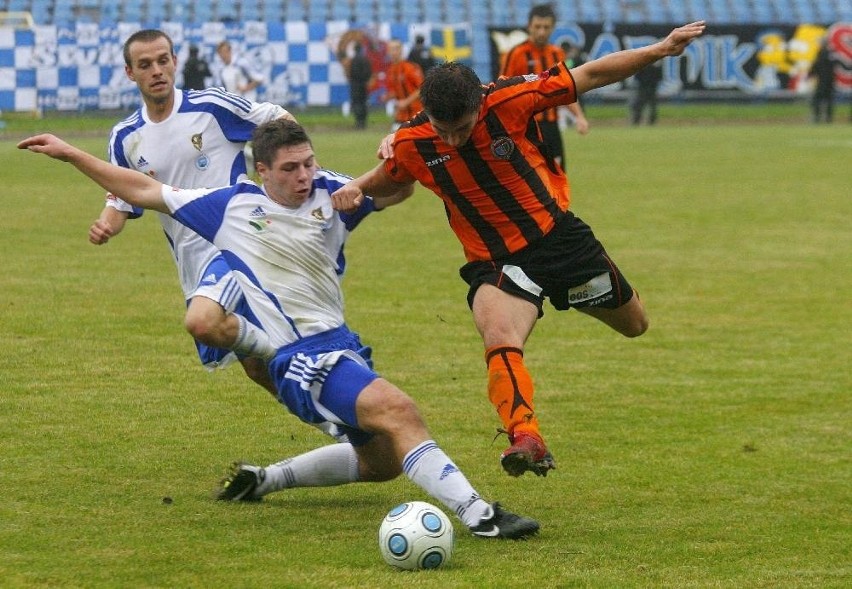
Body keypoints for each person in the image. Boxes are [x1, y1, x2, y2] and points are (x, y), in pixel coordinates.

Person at [18, 119, 541, 540]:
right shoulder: (230, 208)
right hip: (299, 359)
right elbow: (141, 187)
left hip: (343, 345)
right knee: (401, 411)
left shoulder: (330, 194)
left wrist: (384, 160)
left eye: (309, 163)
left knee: (381, 461)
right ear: (262, 171)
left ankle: (266, 480)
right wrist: (71, 155)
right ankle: (480, 516)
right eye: (291, 169)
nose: (305, 176)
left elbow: (396, 189)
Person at [332, 22, 707, 478]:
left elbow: (589, 75)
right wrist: (354, 187)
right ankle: (525, 435)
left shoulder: (509, 101)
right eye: (442, 130)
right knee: (500, 337)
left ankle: (570, 296)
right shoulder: (413, 143)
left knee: (636, 324)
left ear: (479, 105)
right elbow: (387, 179)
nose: (452, 140)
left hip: (561, 244)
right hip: (495, 263)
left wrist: (661, 49)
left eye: (463, 128)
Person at [90, 29, 293, 396]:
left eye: (163, 61)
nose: (156, 71)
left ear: (175, 62)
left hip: (238, 240)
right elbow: (121, 200)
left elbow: (279, 120)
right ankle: (341, 427)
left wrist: (286, 175)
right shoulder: (126, 137)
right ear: (129, 73)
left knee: (204, 321)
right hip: (193, 261)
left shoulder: (211, 107)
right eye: (145, 64)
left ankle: (328, 389)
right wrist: (106, 225)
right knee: (255, 366)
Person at [500, 3, 589, 169]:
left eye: (546, 27)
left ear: (553, 28)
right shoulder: (515, 54)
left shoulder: (557, 54)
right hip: (525, 127)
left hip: (551, 127)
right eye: (537, 26)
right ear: (529, 26)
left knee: (557, 175)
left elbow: (565, 90)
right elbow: (502, 92)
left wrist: (579, 116)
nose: (542, 31)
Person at [384, 39, 424, 131]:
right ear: (388, 51)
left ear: (401, 50)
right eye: (391, 49)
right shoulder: (390, 71)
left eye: (396, 48)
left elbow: (422, 88)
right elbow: (395, 91)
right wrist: (388, 97)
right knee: (394, 140)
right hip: (401, 115)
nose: (394, 52)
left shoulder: (410, 67)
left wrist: (406, 102)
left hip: (416, 113)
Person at [809, 38, 838, 124]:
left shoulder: (820, 53)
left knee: (816, 99)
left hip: (822, 81)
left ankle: (817, 118)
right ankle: (828, 119)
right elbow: (835, 65)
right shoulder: (831, 54)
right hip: (830, 81)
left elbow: (816, 66)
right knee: (829, 100)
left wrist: (810, 74)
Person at [348, 42, 373, 130]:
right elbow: (369, 71)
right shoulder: (365, 59)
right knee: (363, 103)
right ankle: (363, 122)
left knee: (357, 103)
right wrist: (365, 80)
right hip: (364, 85)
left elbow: (352, 73)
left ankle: (358, 122)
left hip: (356, 85)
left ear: (355, 49)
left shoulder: (354, 60)